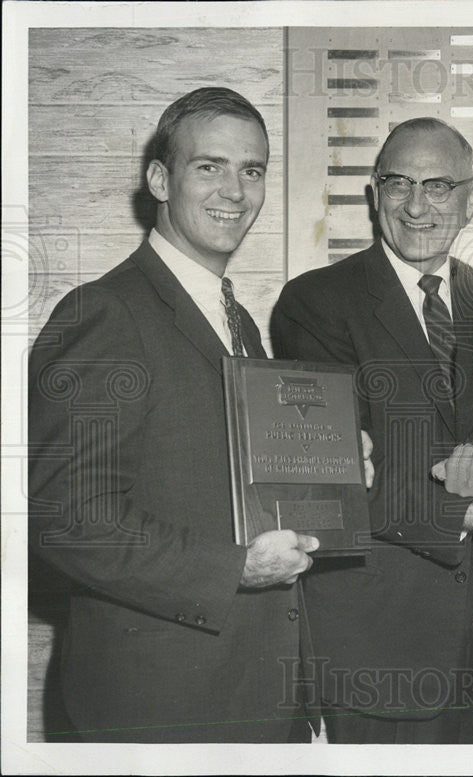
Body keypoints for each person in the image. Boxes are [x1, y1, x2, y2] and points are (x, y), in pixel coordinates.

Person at [28, 87, 345, 742]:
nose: (235, 190)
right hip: (159, 713)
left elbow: (229, 486)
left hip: (258, 698)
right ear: (159, 179)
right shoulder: (104, 313)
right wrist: (233, 568)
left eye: (251, 170)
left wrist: (336, 473)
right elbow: (68, 521)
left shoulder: (240, 322)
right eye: (210, 166)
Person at [270, 117, 473, 743]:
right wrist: (470, 512)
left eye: (439, 186)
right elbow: (329, 480)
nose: (417, 205)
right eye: (398, 184)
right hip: (386, 635)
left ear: (472, 198)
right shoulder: (314, 302)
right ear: (374, 194)